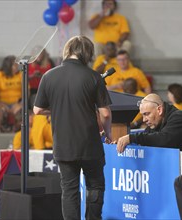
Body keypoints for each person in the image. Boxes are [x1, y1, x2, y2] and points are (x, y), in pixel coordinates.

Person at [33, 36, 112, 219]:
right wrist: (107, 133)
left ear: (67, 51)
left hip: (63, 144)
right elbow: (106, 114)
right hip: (89, 144)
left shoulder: (49, 75)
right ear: (88, 53)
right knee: (95, 186)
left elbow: (37, 110)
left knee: (69, 190)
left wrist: (59, 110)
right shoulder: (93, 76)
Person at [115, 93, 182, 174]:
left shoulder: (179, 117)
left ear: (159, 110)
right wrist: (121, 143)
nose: (144, 119)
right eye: (142, 115)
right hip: (180, 170)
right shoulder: (155, 123)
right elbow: (147, 139)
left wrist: (131, 138)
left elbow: (164, 140)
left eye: (146, 114)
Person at [0, 55, 22, 131]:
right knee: (0, 111)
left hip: (17, 102)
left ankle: (16, 131)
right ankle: (0, 130)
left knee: (21, 111)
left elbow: (26, 91)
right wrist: (0, 104)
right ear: (8, 66)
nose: (17, 66)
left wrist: (20, 103)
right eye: (15, 65)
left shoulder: (21, 74)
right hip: (2, 102)